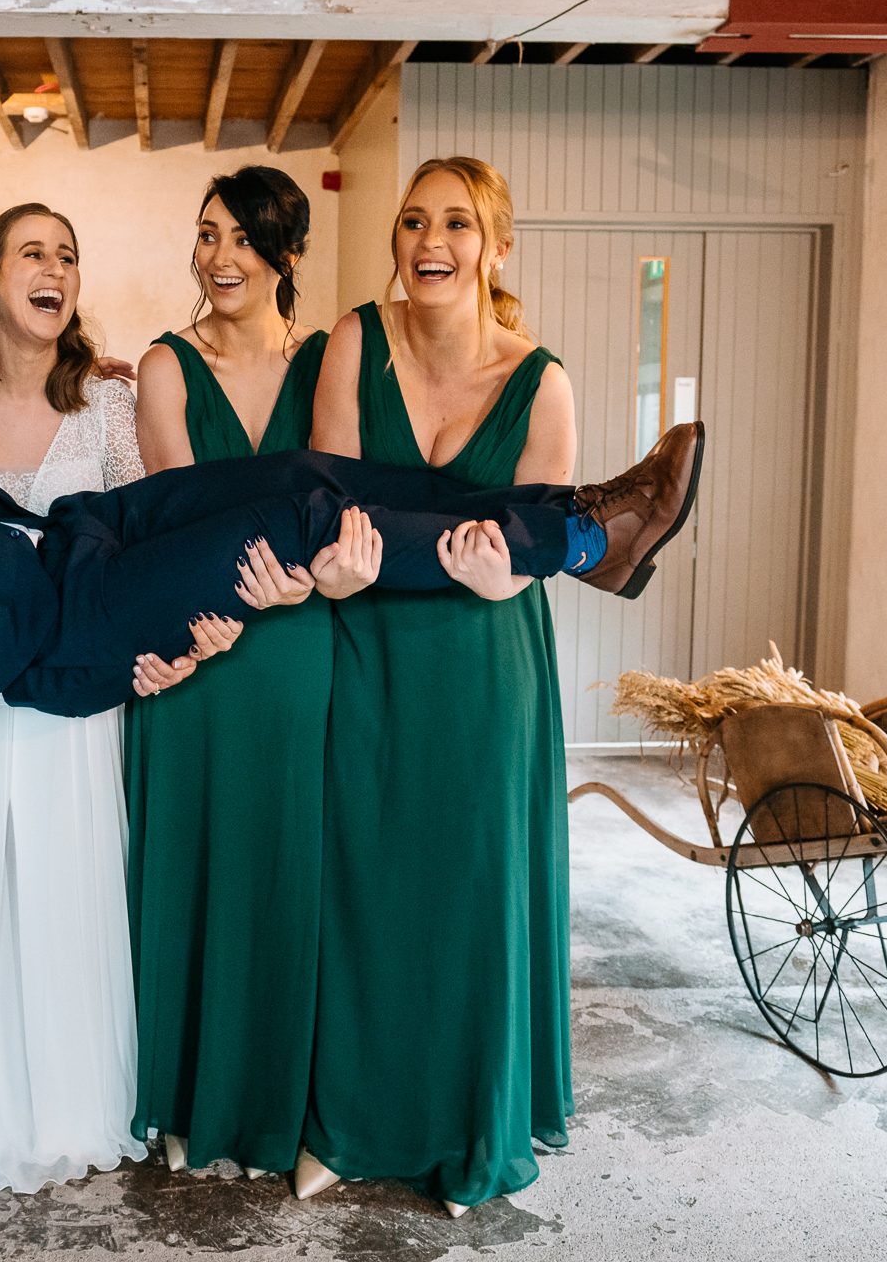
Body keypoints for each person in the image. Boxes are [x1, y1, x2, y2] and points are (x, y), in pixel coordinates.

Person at [0, 289, 702, 723]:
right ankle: (585, 534)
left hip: (68, 534)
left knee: (298, 474)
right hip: (47, 630)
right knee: (300, 530)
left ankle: (569, 507)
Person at [0, 202, 235, 1195]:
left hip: (75, 689)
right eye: (32, 251)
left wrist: (173, 646)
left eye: (69, 255)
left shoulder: (108, 407)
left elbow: (139, 542)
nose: (55, 268)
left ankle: (73, 1096)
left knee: (62, 872)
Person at [298, 156, 585, 1215]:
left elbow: (541, 541)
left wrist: (518, 563)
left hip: (484, 658)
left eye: (457, 223)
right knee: (362, 876)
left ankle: (475, 1124)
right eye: (415, 220)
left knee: (471, 889)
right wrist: (330, 566)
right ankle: (350, 1120)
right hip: (370, 643)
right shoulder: (352, 345)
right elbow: (325, 504)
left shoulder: (542, 378)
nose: (431, 239)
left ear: (495, 246)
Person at [125, 167, 332, 1179]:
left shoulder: (330, 359)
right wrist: (236, 603)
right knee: (191, 862)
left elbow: (342, 502)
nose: (219, 258)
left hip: (298, 644)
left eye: (242, 239)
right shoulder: (165, 364)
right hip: (199, 642)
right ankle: (181, 1091)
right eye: (207, 236)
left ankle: (282, 1100)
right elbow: (177, 512)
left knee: (290, 868)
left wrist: (297, 591)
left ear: (283, 251)